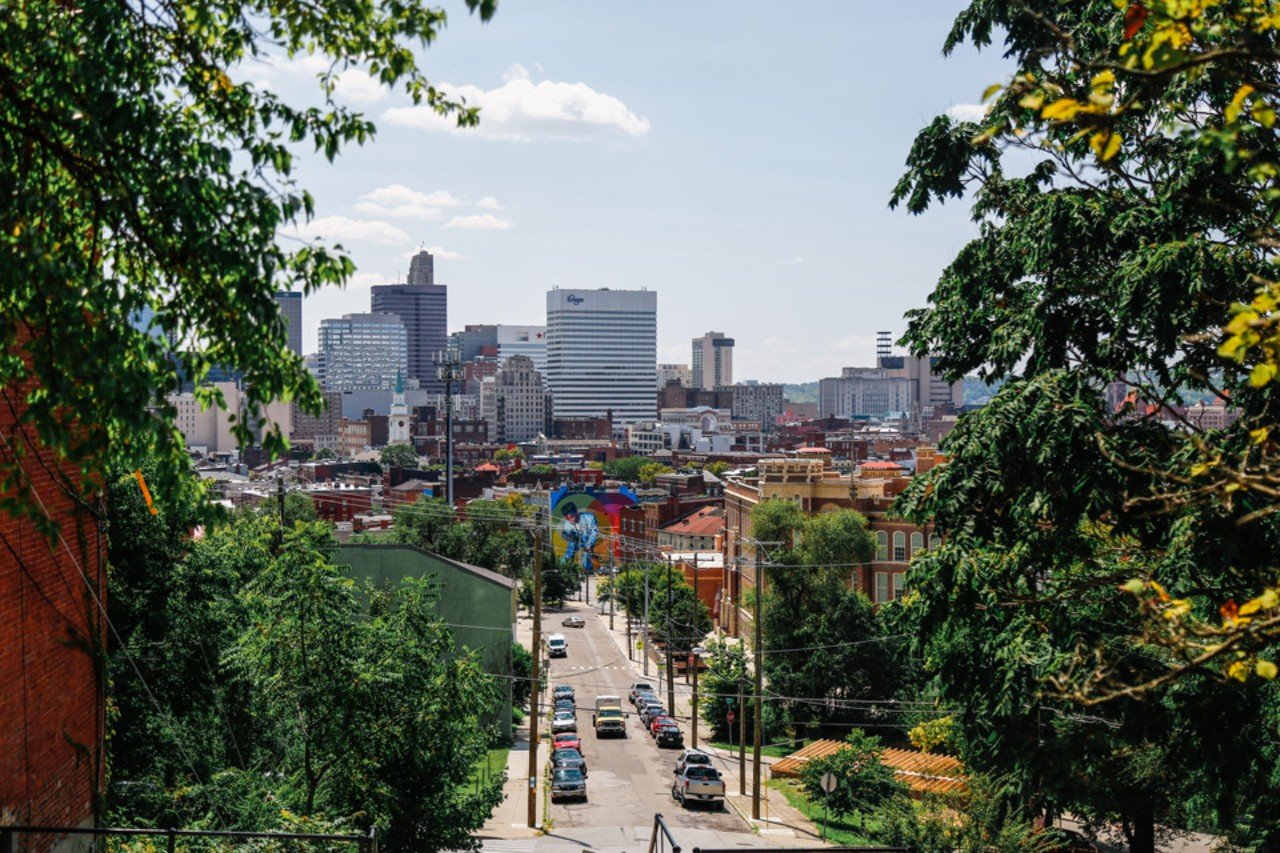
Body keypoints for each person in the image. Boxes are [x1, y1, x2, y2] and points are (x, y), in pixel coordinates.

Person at [561, 504, 600, 572]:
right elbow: (568, 537)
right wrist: (567, 536)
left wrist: (588, 545)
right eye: (567, 518)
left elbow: (594, 533)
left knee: (586, 554)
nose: (570, 520)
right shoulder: (567, 525)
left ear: (577, 513)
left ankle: (587, 570)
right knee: (570, 549)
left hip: (588, 539)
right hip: (576, 540)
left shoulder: (590, 517)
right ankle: (563, 567)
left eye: (572, 517)